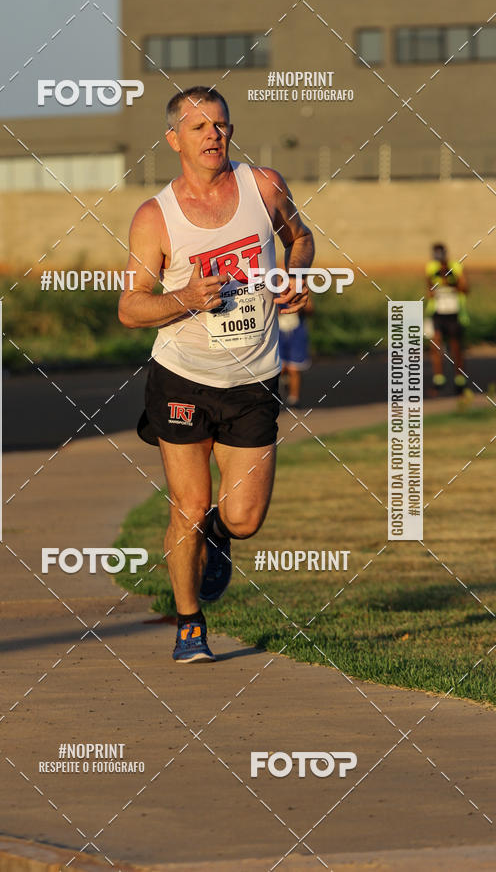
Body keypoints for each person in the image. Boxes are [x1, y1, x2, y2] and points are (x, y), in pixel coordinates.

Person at [118, 86, 314, 663]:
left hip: (253, 378)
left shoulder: (264, 186)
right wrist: (184, 298)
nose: (213, 135)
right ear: (174, 138)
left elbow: (299, 237)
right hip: (181, 378)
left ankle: (219, 538)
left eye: (221, 125)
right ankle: (189, 623)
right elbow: (131, 308)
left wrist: (295, 274)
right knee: (188, 504)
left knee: (243, 517)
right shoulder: (156, 217)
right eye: (200, 127)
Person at [424, 243, 470, 396]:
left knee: (456, 347)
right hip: (436, 313)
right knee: (435, 345)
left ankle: (459, 381)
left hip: (454, 313)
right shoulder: (430, 268)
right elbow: (429, 289)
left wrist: (451, 283)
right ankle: (438, 380)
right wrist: (436, 285)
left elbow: (465, 288)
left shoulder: (456, 267)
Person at [279, 297, 313, 408]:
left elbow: (310, 310)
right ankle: (284, 383)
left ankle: (294, 399)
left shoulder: (299, 286)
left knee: (294, 368)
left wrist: (299, 305)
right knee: (281, 368)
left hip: (296, 333)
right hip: (279, 333)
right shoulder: (272, 287)